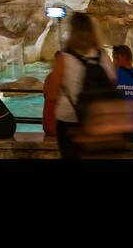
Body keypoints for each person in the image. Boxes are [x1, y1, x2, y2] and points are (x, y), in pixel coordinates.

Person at [42, 12, 117, 158]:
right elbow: (113, 85)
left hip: (70, 122)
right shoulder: (103, 56)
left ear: (72, 31)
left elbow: (51, 94)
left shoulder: (63, 58)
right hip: (97, 120)